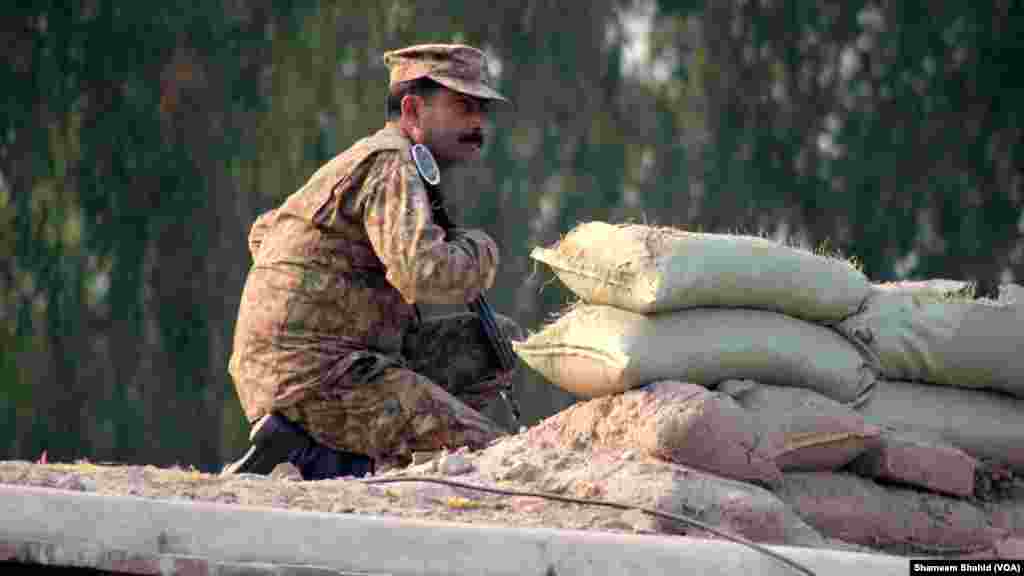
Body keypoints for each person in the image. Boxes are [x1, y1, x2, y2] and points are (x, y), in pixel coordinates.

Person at [222, 44, 523, 480]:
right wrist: (481, 251)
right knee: (490, 458)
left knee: (498, 343)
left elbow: (266, 232)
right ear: (413, 110)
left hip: (335, 361)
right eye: (463, 107)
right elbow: (423, 274)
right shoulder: (390, 163)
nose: (478, 123)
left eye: (482, 111)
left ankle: (321, 453)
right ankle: (318, 453)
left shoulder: (370, 159)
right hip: (323, 376)